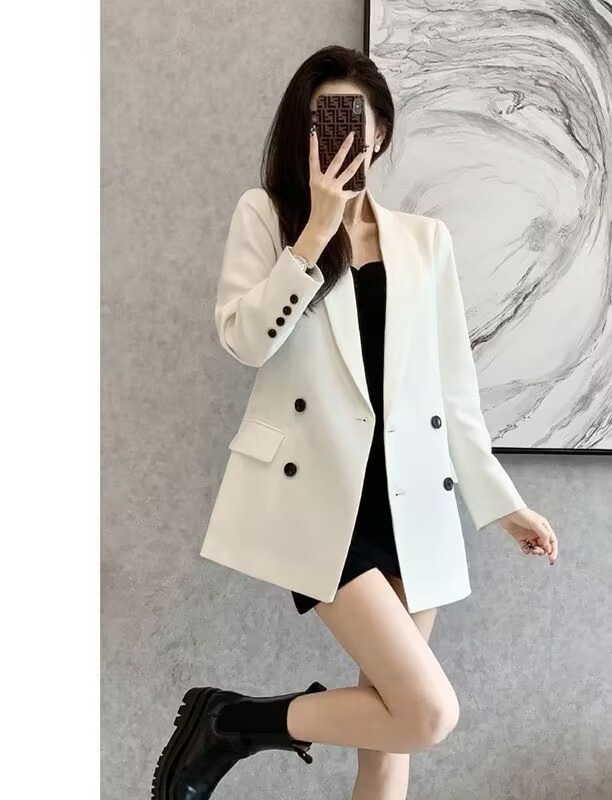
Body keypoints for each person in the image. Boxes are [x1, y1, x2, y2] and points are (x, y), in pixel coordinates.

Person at [151, 44, 558, 800]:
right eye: (321, 123)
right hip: (322, 499)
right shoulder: (266, 216)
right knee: (428, 713)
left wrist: (504, 505)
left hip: (411, 502)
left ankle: (231, 722)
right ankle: (233, 722)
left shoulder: (424, 240)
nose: (338, 138)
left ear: (380, 133)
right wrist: (314, 234)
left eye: (352, 123)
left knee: (391, 738)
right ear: (300, 134)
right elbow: (245, 341)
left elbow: (452, 392)